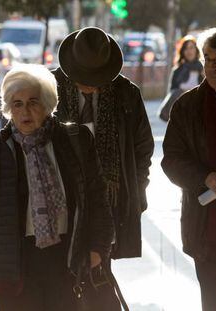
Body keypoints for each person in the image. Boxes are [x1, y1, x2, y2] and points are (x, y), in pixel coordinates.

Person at [0, 64, 114, 311]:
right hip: (17, 262)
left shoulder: (76, 139)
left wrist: (99, 247)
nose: (26, 111)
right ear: (8, 109)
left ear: (47, 105)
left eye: (33, 102)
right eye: (17, 104)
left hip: (68, 257)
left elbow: (98, 197)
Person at [53, 27, 154, 260]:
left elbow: (143, 148)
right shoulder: (49, 86)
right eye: (82, 76)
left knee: (100, 265)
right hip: (61, 195)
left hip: (110, 200)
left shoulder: (126, 93)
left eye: (96, 77)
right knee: (62, 265)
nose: (89, 84)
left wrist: (136, 192)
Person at [162, 24, 216, 311]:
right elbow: (171, 160)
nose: (211, 66)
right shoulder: (187, 106)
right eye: (207, 58)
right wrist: (205, 177)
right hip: (206, 229)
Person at [159, 35, 205, 121]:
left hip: (198, 110)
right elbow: (172, 91)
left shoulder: (203, 68)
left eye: (191, 48)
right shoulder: (177, 70)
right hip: (181, 110)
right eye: (186, 48)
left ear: (196, 50)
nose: (189, 51)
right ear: (182, 51)